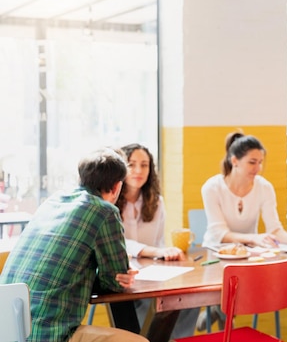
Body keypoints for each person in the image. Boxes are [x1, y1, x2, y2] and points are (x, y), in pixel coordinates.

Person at [0, 147, 148, 342]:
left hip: (8, 330)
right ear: (117, 187)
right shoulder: (104, 211)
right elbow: (114, 281)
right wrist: (119, 274)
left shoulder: (52, 202)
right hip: (49, 334)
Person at [196, 131, 287, 331]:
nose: (258, 168)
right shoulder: (212, 188)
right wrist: (255, 238)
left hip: (247, 255)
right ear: (235, 160)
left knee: (246, 286)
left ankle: (220, 313)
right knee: (231, 288)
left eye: (261, 162)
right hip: (214, 253)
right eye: (252, 162)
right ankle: (224, 314)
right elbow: (220, 232)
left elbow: (275, 229)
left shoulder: (265, 187)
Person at [115, 143, 199, 339]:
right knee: (154, 303)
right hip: (125, 276)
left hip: (151, 275)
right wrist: (153, 251)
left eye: (144, 165)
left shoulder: (157, 201)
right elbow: (120, 242)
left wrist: (163, 253)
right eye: (132, 164)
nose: (138, 170)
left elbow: (159, 243)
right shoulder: (111, 200)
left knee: (189, 298)